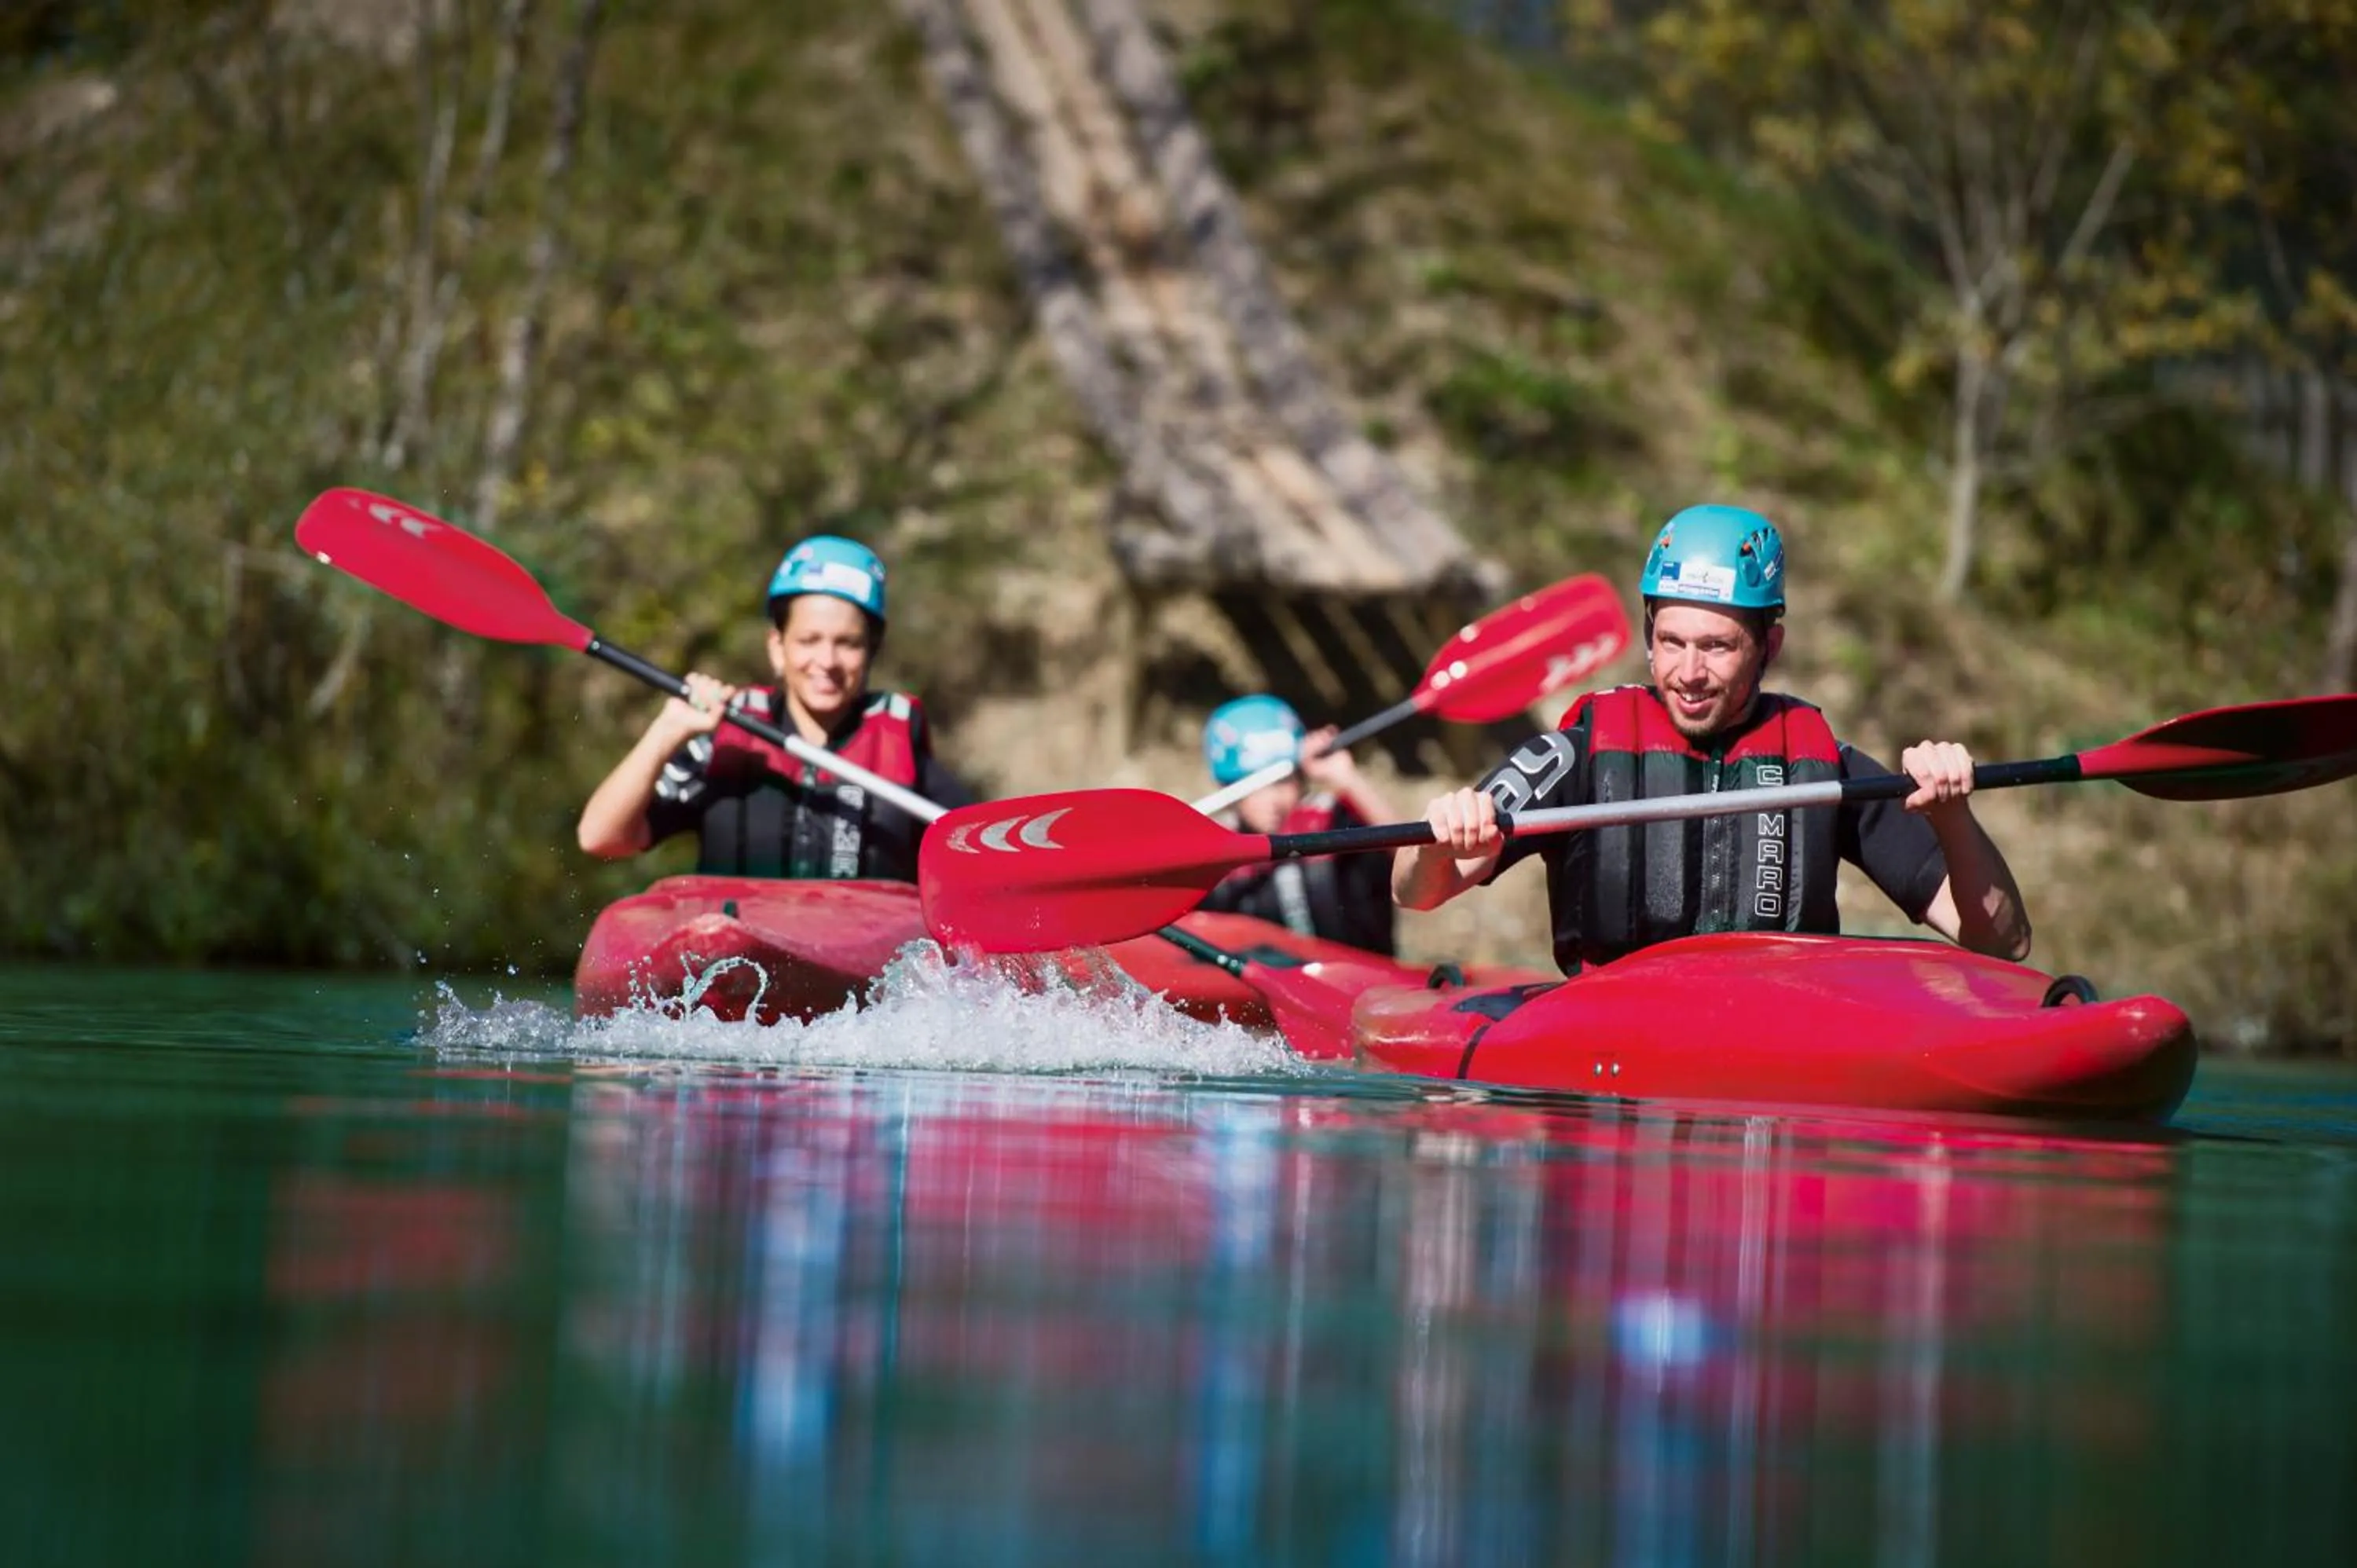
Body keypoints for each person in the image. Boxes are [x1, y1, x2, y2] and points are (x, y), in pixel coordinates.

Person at [1392, 504, 2031, 973]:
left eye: (1717, 647)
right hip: (1614, 1045)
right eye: (1671, 642)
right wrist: (1439, 845)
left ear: (1769, 646)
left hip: (1773, 1045)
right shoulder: (1582, 754)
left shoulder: (1822, 766)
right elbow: (1416, 892)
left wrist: (1953, 817)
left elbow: (2003, 942)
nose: (1689, 672)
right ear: (1650, 635)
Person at [577, 535, 970, 881]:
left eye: (847, 643)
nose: (827, 661)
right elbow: (601, 838)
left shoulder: (901, 748)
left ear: (871, 651)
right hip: (737, 944)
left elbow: (980, 849)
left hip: (866, 945)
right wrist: (667, 732)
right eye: (809, 640)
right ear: (777, 648)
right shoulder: (723, 743)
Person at [1197, 695, 1402, 957]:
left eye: (1283, 782)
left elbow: (1411, 852)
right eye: (1257, 784)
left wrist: (1347, 778)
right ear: (1229, 789)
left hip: (1361, 978)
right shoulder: (1213, 860)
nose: (1273, 799)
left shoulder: (1334, 825)